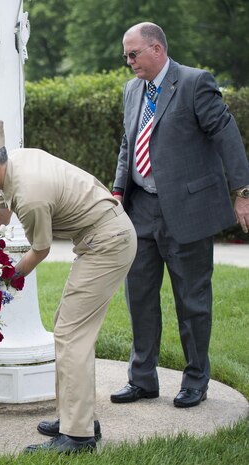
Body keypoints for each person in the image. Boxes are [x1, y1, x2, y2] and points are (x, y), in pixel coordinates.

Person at [0, 120, 137, 453]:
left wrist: (0, 282)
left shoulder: (30, 193)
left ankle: (78, 437)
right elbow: (1, 216)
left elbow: (40, 251)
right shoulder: (13, 163)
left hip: (108, 243)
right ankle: (75, 418)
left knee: (71, 334)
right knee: (68, 330)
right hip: (101, 236)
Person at [110, 22, 249, 409]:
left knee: (192, 301)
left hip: (188, 211)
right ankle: (142, 380)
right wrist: (119, 191)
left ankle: (195, 381)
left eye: (133, 53)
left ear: (156, 49)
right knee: (138, 296)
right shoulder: (132, 89)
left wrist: (243, 193)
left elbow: (226, 133)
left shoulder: (194, 82)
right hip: (141, 211)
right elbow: (128, 141)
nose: (128, 61)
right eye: (126, 54)